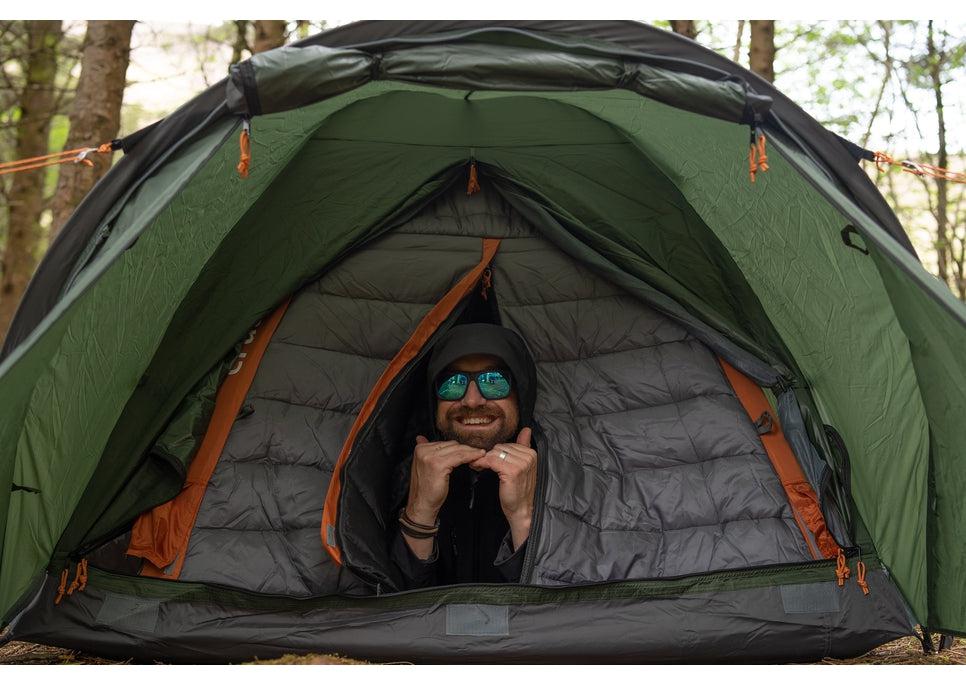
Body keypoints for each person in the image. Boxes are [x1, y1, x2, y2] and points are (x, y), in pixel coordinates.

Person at [390, 323, 540, 588]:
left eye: (493, 381)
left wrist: (523, 517)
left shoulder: (560, 476)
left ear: (520, 394)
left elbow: (561, 603)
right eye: (453, 383)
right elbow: (390, 598)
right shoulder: (395, 473)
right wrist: (420, 511)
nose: (472, 400)